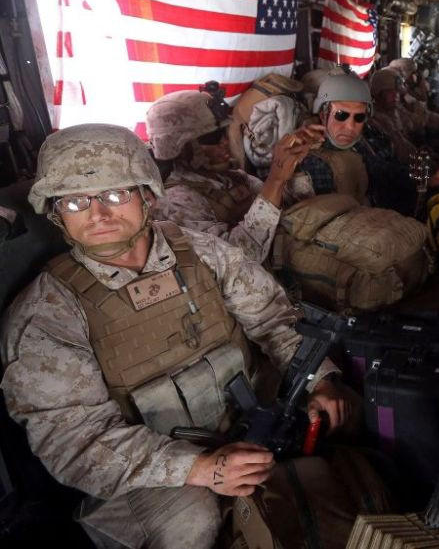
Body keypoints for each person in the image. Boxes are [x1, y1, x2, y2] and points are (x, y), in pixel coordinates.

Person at [1, 124, 354, 548]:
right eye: (75, 201)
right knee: (192, 516)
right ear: (57, 212)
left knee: (343, 432)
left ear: (147, 195)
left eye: (115, 194)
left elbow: (273, 319)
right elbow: (76, 443)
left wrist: (320, 380)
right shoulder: (47, 315)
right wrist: (199, 468)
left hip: (249, 421)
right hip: (146, 470)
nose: (98, 215)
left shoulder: (202, 253)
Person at [146, 86, 321, 263]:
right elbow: (238, 260)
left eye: (224, 132)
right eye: (213, 137)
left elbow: (288, 206)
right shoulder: (175, 202)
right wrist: (275, 179)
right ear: (180, 148)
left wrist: (294, 158)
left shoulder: (231, 178)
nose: (225, 142)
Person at [297, 69, 373, 204]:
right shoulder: (312, 159)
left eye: (359, 117)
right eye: (341, 115)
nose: (350, 127)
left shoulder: (360, 144)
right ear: (323, 115)